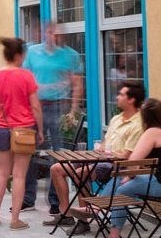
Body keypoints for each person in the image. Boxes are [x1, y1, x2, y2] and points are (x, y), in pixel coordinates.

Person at [92, 98, 161, 238]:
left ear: (146, 117)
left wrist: (129, 176)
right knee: (123, 180)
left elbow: (133, 161)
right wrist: (129, 176)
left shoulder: (152, 132)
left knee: (122, 189)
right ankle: (97, 208)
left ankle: (111, 235)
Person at [44, 82, 146, 228]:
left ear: (131, 99)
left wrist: (104, 153)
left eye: (121, 95)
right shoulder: (116, 118)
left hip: (117, 166)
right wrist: (100, 148)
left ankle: (84, 220)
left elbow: (126, 155)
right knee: (56, 168)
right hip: (100, 160)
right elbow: (105, 143)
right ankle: (66, 215)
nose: (117, 97)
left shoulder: (138, 124)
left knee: (80, 173)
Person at [22, 23, 82, 213]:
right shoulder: (32, 52)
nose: (59, 39)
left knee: (59, 154)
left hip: (59, 106)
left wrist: (73, 110)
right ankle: (27, 198)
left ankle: (55, 202)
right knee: (28, 151)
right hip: (35, 106)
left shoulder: (70, 55)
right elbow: (25, 78)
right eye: (55, 35)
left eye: (61, 35)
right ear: (46, 34)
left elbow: (77, 83)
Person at [0, 37, 43, 230]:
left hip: (2, 128)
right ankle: (15, 219)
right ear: (18, 55)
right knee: (19, 175)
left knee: (2, 172)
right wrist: (40, 129)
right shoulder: (26, 76)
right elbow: (35, 106)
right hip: (24, 130)